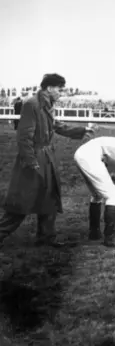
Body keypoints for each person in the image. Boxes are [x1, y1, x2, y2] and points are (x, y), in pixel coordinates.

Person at [0, 74, 94, 247]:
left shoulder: (47, 104)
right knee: (21, 203)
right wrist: (31, 162)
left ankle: (46, 238)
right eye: (60, 89)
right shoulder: (32, 104)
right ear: (49, 88)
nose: (62, 93)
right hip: (34, 159)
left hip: (47, 158)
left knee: (49, 197)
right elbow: (24, 138)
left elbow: (56, 126)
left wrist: (80, 131)